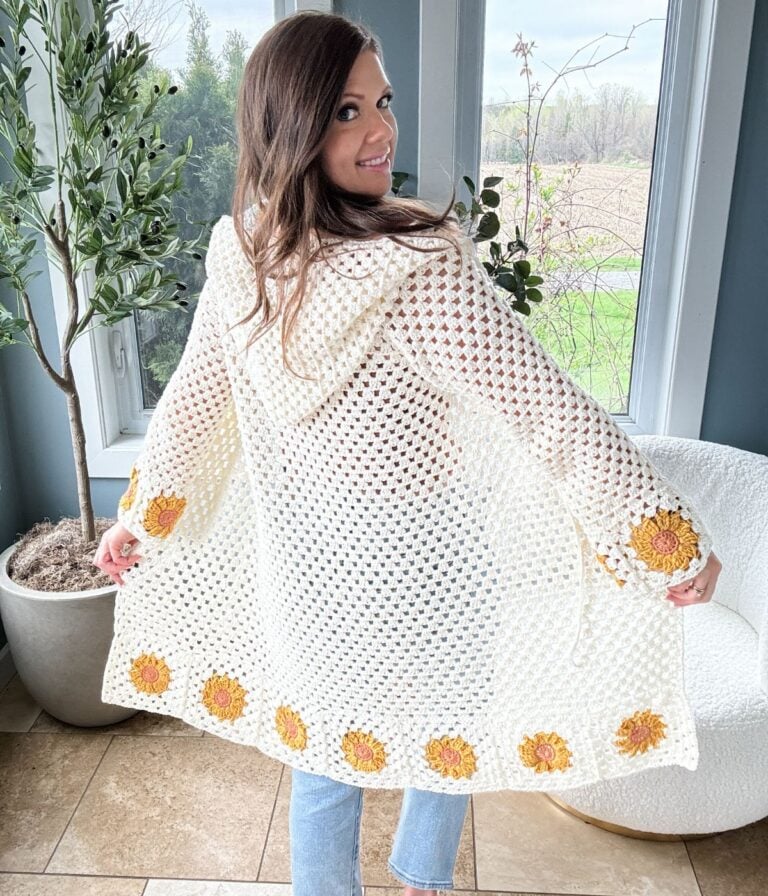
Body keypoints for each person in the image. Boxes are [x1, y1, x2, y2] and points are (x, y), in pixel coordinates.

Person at [92, 11, 722, 896]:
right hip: (430, 558)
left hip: (314, 567)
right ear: (293, 123)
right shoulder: (415, 267)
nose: (383, 129)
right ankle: (424, 878)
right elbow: (548, 410)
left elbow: (195, 404)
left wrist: (140, 516)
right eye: (348, 111)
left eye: (381, 102)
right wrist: (667, 537)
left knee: (322, 754)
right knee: (445, 726)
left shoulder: (245, 251)